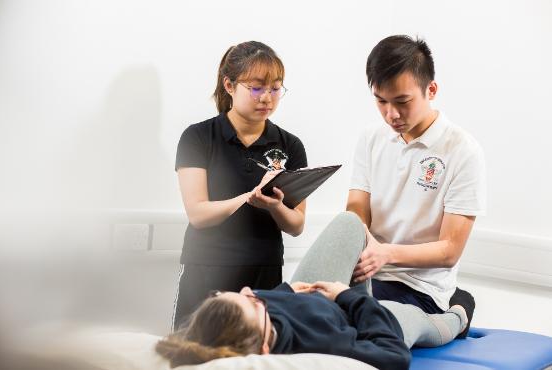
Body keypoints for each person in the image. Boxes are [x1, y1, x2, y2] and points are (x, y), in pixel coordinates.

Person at [156, 212, 468, 370]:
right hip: (362, 317)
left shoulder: (244, 324)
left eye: (238, 293)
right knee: (432, 323)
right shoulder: (323, 345)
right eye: (252, 301)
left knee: (350, 222)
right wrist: (348, 297)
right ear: (265, 350)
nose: (252, 290)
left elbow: (255, 307)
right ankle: (460, 314)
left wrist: (287, 290)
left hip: (316, 292)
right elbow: (393, 357)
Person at [347, 35, 485, 336]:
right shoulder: (371, 138)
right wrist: (364, 244)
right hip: (369, 275)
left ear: (431, 90)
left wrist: (385, 253)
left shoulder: (462, 150)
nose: (391, 114)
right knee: (302, 305)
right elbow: (356, 212)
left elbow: (450, 250)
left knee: (354, 328)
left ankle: (454, 316)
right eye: (381, 101)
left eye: (402, 102)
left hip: (420, 289)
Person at [172, 41, 307, 330]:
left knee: (253, 355)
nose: (267, 98)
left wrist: (274, 205)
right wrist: (249, 197)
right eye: (256, 88)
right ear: (229, 85)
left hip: (264, 272)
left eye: (275, 88)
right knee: (194, 352)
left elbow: (296, 225)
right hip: (206, 268)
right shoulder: (198, 138)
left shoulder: (290, 145)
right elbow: (198, 213)